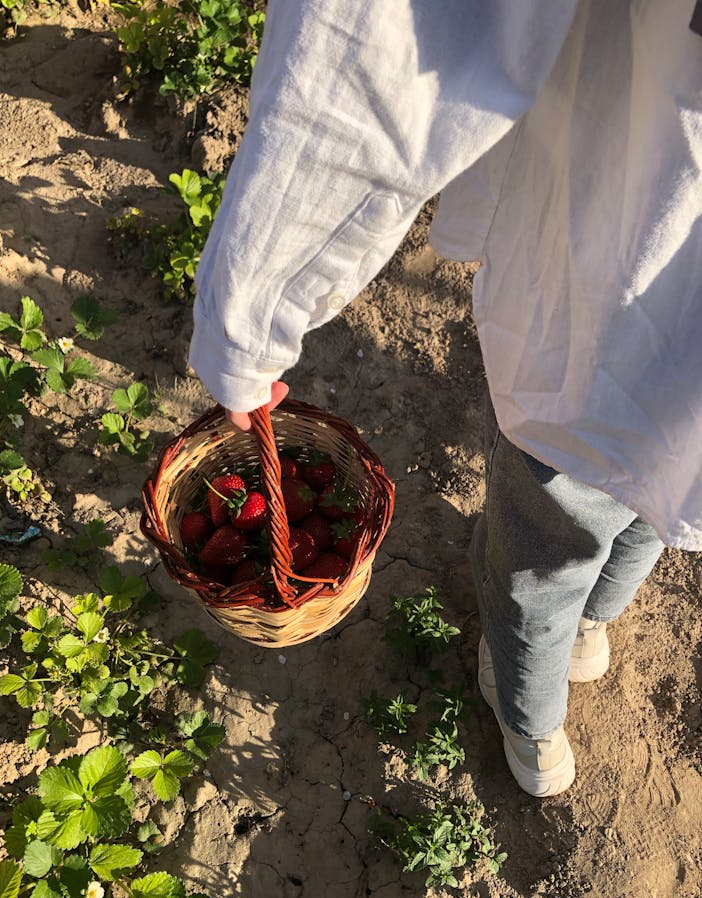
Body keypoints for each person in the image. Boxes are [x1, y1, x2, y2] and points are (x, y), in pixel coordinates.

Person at [188, 0, 702, 796]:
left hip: (616, 284)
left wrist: (252, 310)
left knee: (552, 531)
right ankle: (594, 625)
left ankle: (531, 712)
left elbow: (376, 39)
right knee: (664, 483)